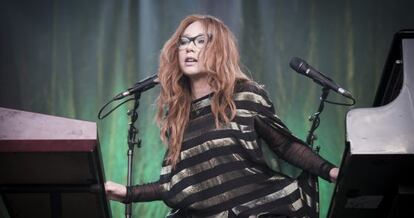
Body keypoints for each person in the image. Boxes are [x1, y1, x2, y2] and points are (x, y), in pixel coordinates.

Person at [105, 14, 339, 218]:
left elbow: (285, 145)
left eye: (200, 41)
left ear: (218, 49)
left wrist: (331, 171)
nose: (189, 48)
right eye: (183, 42)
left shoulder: (245, 96)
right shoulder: (179, 117)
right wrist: (126, 193)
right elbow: (176, 184)